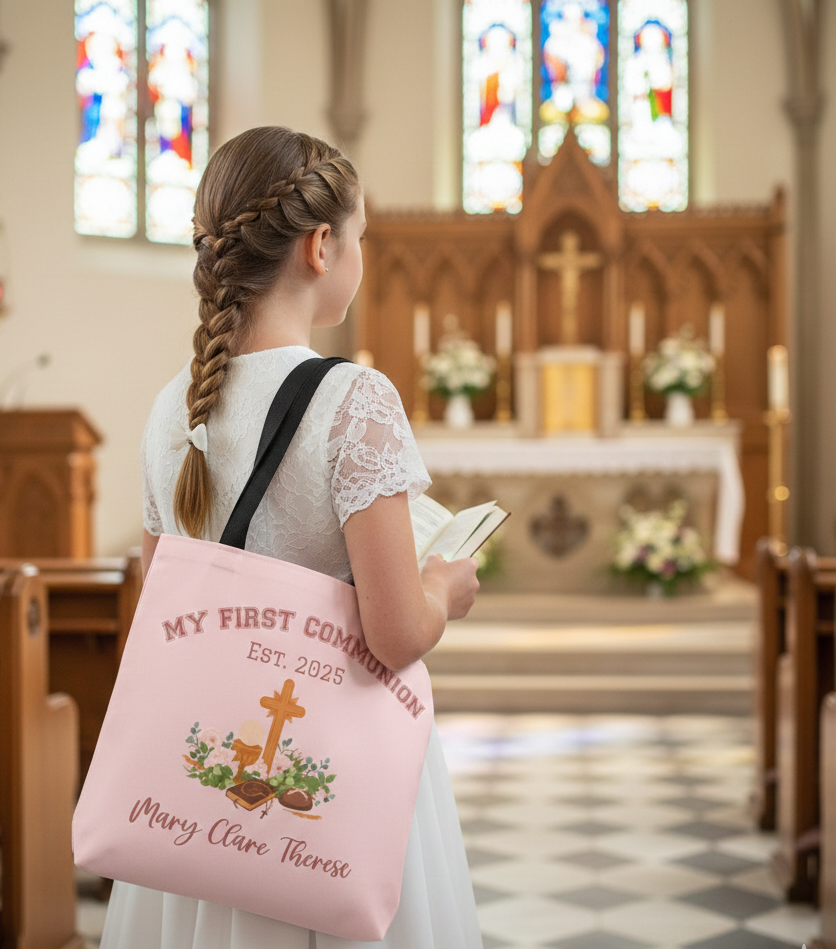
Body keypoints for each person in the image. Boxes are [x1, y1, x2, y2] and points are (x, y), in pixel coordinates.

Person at [100, 125, 484, 949]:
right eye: (361, 239)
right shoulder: (356, 399)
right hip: (329, 791)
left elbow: (158, 618)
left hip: (205, 796)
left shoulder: (173, 406)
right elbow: (396, 633)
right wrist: (444, 586)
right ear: (320, 246)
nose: (360, 255)